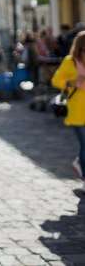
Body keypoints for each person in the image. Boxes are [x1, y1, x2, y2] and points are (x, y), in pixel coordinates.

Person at [52, 30, 85, 192]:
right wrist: (72, 82)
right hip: (77, 110)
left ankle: (79, 162)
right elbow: (56, 80)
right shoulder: (70, 62)